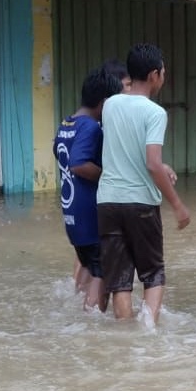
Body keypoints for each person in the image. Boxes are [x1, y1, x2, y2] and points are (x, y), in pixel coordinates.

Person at [97, 43, 191, 323]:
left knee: (120, 280)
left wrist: (161, 167)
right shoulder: (155, 113)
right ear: (153, 75)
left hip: (107, 202)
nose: (164, 76)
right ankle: (148, 335)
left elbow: (125, 149)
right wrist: (177, 204)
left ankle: (125, 339)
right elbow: (151, 162)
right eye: (163, 71)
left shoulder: (111, 104)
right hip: (140, 203)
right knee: (153, 275)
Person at [53, 67, 124, 311]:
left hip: (72, 216)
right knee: (102, 272)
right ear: (104, 103)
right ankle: (90, 321)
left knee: (89, 266)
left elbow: (59, 153)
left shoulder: (66, 123)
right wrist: (109, 176)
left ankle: (76, 306)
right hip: (90, 216)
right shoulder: (91, 127)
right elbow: (79, 164)